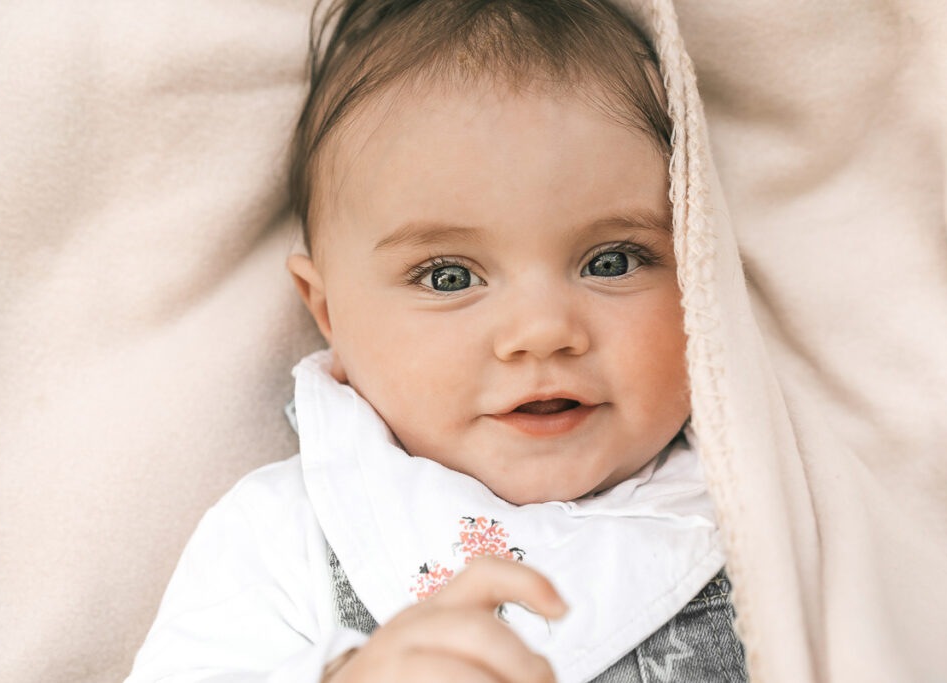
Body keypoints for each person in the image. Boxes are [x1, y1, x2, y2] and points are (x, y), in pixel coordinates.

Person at [126, 1, 746, 681]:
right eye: (449, 276)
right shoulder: (284, 533)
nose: (541, 332)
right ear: (329, 312)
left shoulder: (755, 499)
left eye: (612, 261)